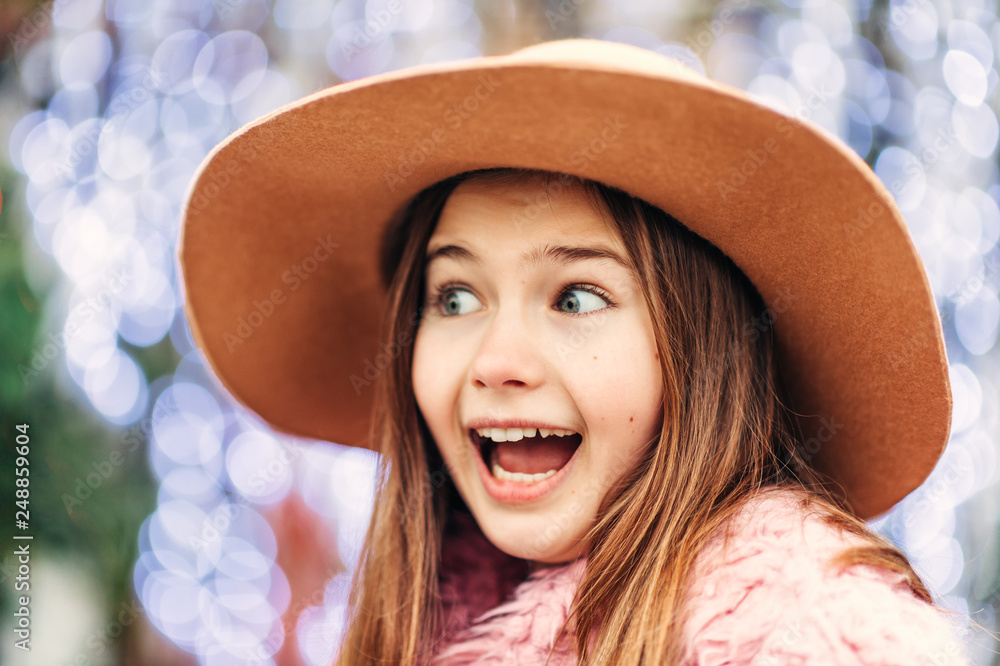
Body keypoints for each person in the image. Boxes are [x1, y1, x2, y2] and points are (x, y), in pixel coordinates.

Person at [178, 40, 969, 664]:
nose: (496, 361)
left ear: (703, 351)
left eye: (576, 298)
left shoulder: (808, 636)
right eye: (454, 297)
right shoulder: (425, 623)